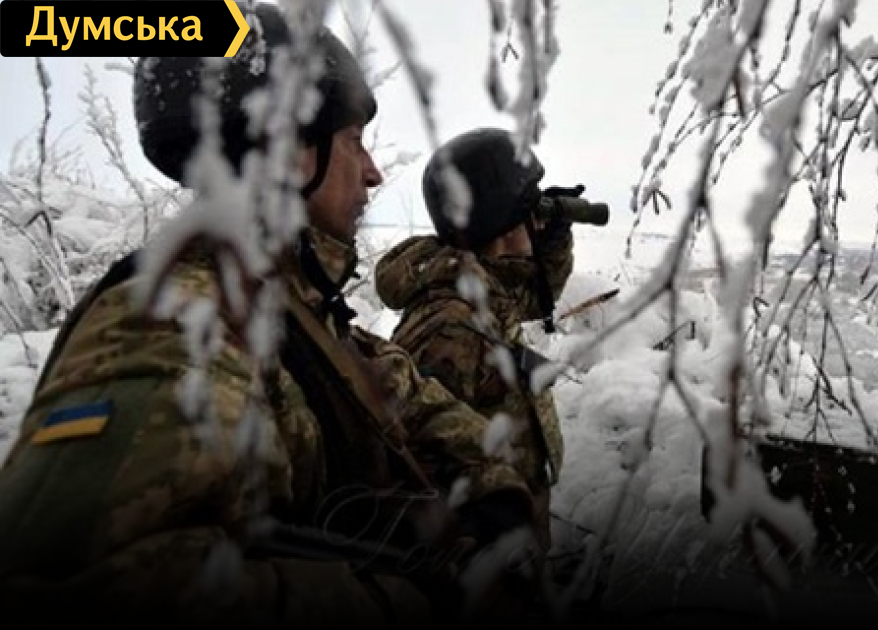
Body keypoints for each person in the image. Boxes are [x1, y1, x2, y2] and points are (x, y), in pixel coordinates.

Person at [0, 5, 533, 627]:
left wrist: (493, 498)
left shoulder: (297, 319)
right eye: (353, 142)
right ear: (293, 152)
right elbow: (75, 579)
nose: (373, 172)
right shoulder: (176, 323)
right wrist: (418, 599)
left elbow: (413, 404)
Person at [374, 128, 583, 582]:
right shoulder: (451, 329)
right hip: (483, 572)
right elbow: (417, 475)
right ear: (505, 222)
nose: (538, 221)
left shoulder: (481, 291)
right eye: (530, 212)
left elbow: (533, 295)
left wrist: (553, 240)